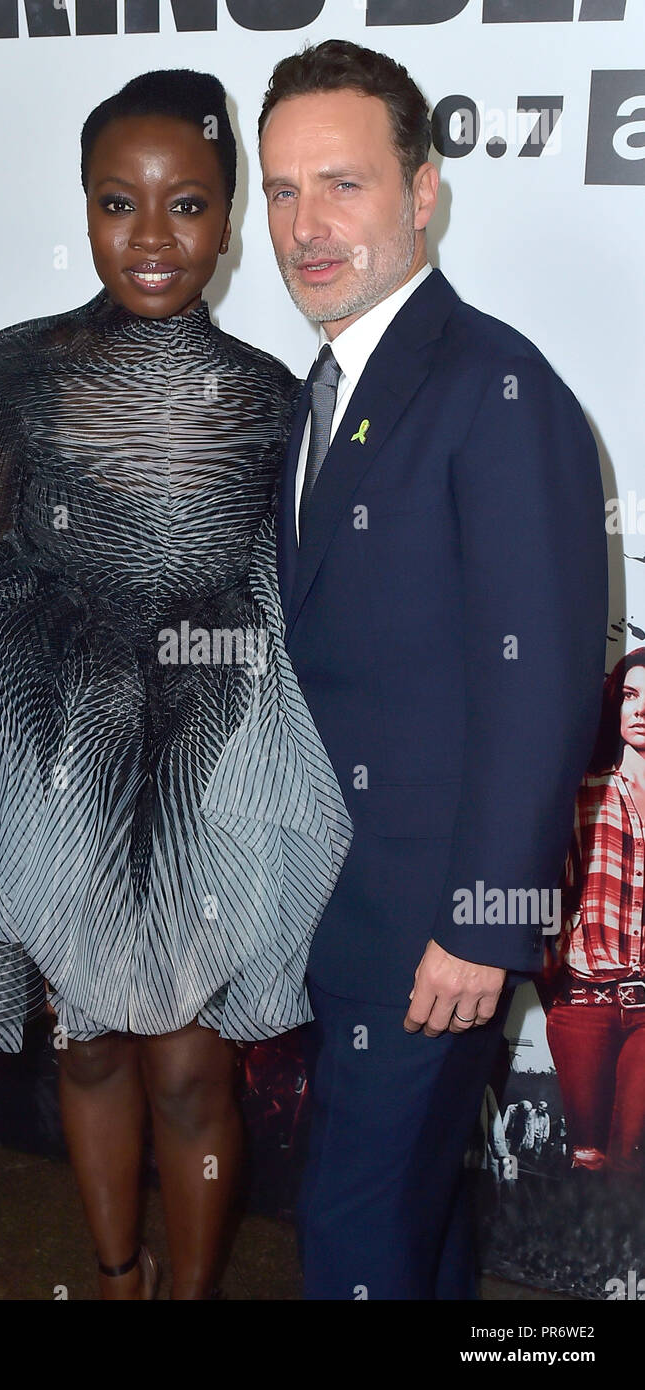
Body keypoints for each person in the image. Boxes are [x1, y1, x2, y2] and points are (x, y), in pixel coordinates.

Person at [0, 70, 351, 1300]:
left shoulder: (271, 394)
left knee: (193, 1067)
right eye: (117, 202)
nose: (152, 236)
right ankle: (114, 1276)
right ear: (83, 209)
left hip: (213, 756)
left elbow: (307, 589)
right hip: (66, 755)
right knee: (88, 1044)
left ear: (230, 218)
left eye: (187, 204)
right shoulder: (18, 370)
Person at [258, 39, 607, 1299]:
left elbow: (547, 684)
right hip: (350, 916)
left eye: (341, 185)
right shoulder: (330, 384)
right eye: (282, 191)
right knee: (409, 1225)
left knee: (353, 1240)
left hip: (432, 935)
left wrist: (479, 925)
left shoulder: (495, 387)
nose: (306, 225)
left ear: (421, 192)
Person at [545, 648, 645, 1175]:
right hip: (583, 1002)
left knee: (632, 1156)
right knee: (588, 1157)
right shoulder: (583, 788)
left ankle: (624, 1259)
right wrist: (550, 973)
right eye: (631, 695)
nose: (641, 709)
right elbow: (546, 886)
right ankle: (582, 1258)